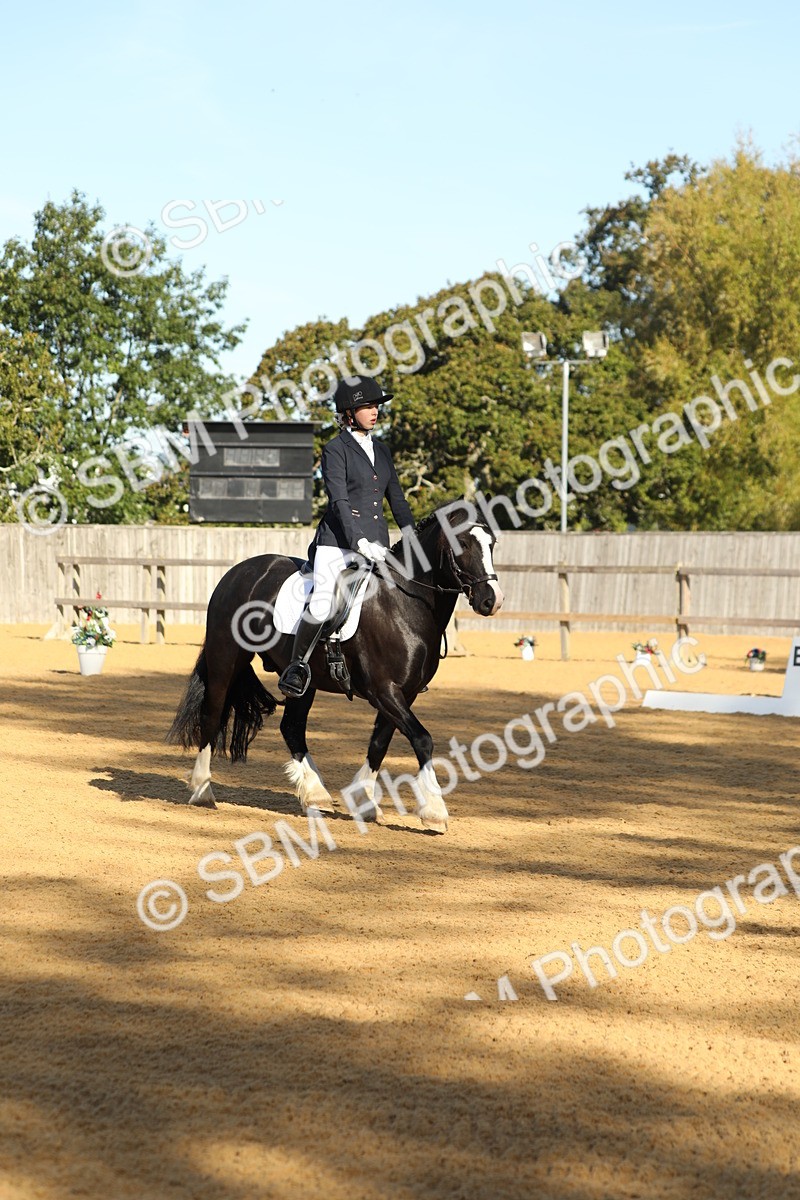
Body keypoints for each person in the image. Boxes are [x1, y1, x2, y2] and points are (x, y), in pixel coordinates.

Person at [278, 374, 415, 697]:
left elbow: (397, 500)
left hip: (377, 544)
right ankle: (297, 667)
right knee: (322, 602)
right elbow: (339, 501)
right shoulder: (335, 450)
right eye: (367, 406)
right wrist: (359, 541)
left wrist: (412, 536)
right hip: (338, 543)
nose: (375, 411)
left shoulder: (382, 451)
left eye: (376, 405)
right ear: (349, 413)